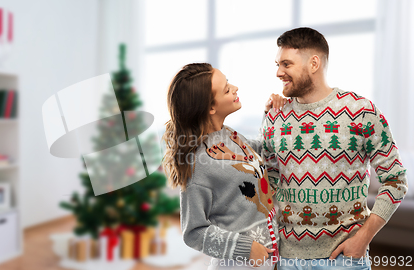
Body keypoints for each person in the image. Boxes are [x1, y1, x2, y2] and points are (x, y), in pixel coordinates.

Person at [262, 27, 408, 269]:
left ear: (314, 63)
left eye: (286, 64)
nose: (278, 72)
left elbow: (396, 180)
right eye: (277, 64)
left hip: (345, 259)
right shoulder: (274, 117)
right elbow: (268, 182)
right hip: (288, 259)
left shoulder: (361, 111)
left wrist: (363, 238)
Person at [162, 63, 286, 270]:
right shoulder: (197, 162)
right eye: (227, 89)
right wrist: (245, 249)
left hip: (269, 260)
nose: (235, 88)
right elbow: (193, 231)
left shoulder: (229, 134)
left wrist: (270, 115)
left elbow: (260, 152)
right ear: (210, 107)